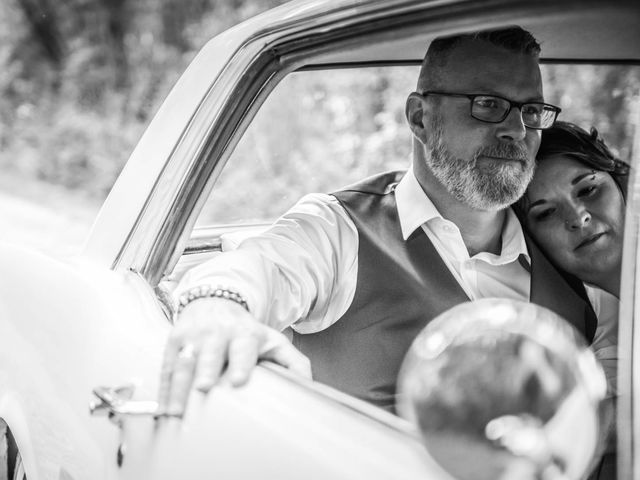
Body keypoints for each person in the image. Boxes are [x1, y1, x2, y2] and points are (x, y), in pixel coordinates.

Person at [158, 27, 598, 417]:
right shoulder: (339, 229)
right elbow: (261, 266)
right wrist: (216, 307)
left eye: (532, 111)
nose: (517, 131)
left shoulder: (567, 243)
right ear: (420, 118)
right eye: (488, 105)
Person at [516, 121, 629, 480]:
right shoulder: (597, 347)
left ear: (623, 183)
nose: (578, 218)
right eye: (546, 213)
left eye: (588, 190)